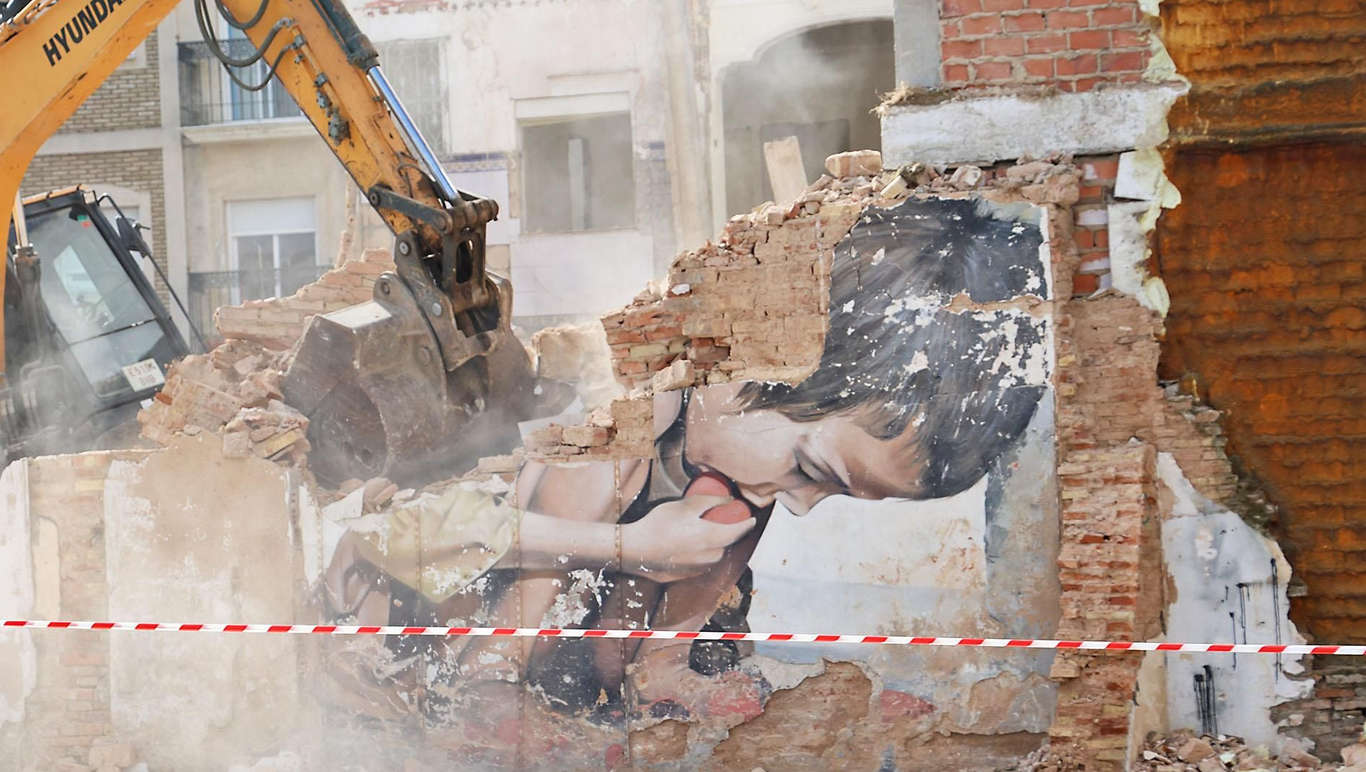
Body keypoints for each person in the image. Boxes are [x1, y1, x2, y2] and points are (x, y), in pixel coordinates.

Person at [324, 198, 1049, 719]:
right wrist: (630, 545)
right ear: (766, 360)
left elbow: (644, 652)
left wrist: (673, 667)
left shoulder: (738, 484)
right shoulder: (615, 400)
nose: (797, 501)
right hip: (413, 619)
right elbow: (406, 534)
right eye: (811, 469)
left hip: (571, 662)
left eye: (834, 493)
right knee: (608, 471)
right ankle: (487, 686)